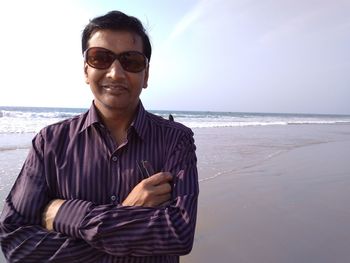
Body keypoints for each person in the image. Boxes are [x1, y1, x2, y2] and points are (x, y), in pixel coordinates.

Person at [0, 10, 199, 262]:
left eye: (132, 61)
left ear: (145, 75)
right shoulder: (49, 143)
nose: (115, 73)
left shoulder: (176, 140)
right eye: (100, 58)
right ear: (86, 70)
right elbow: (16, 244)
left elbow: (178, 233)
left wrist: (64, 213)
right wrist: (128, 211)